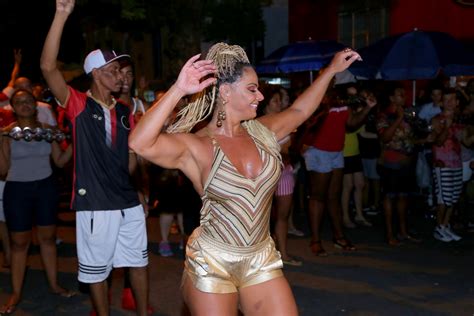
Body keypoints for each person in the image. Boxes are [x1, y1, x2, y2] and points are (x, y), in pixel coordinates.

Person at [129, 42, 360, 314]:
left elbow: (300, 111)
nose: (260, 96)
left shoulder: (263, 130)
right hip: (213, 262)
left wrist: (331, 70)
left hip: (260, 257)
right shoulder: (196, 147)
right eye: (252, 89)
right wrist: (179, 89)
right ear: (225, 92)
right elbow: (139, 143)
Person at [40, 1, 149, 315]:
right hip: (95, 205)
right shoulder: (77, 105)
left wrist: (140, 188)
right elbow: (48, 67)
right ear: (96, 74)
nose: (121, 76)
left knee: (138, 263)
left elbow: (128, 162)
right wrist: (61, 14)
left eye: (121, 70)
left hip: (127, 200)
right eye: (114, 70)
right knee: (98, 273)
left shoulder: (126, 111)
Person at [0, 89, 73, 314]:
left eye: (28, 100)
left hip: (45, 187)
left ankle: (53, 285)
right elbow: (2, 171)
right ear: (13, 107)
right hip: (17, 189)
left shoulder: (48, 131)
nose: (25, 105)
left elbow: (60, 162)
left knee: (48, 239)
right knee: (20, 244)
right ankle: (16, 293)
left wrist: (76, 142)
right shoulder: (6, 133)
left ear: (35, 103)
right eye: (19, 102)